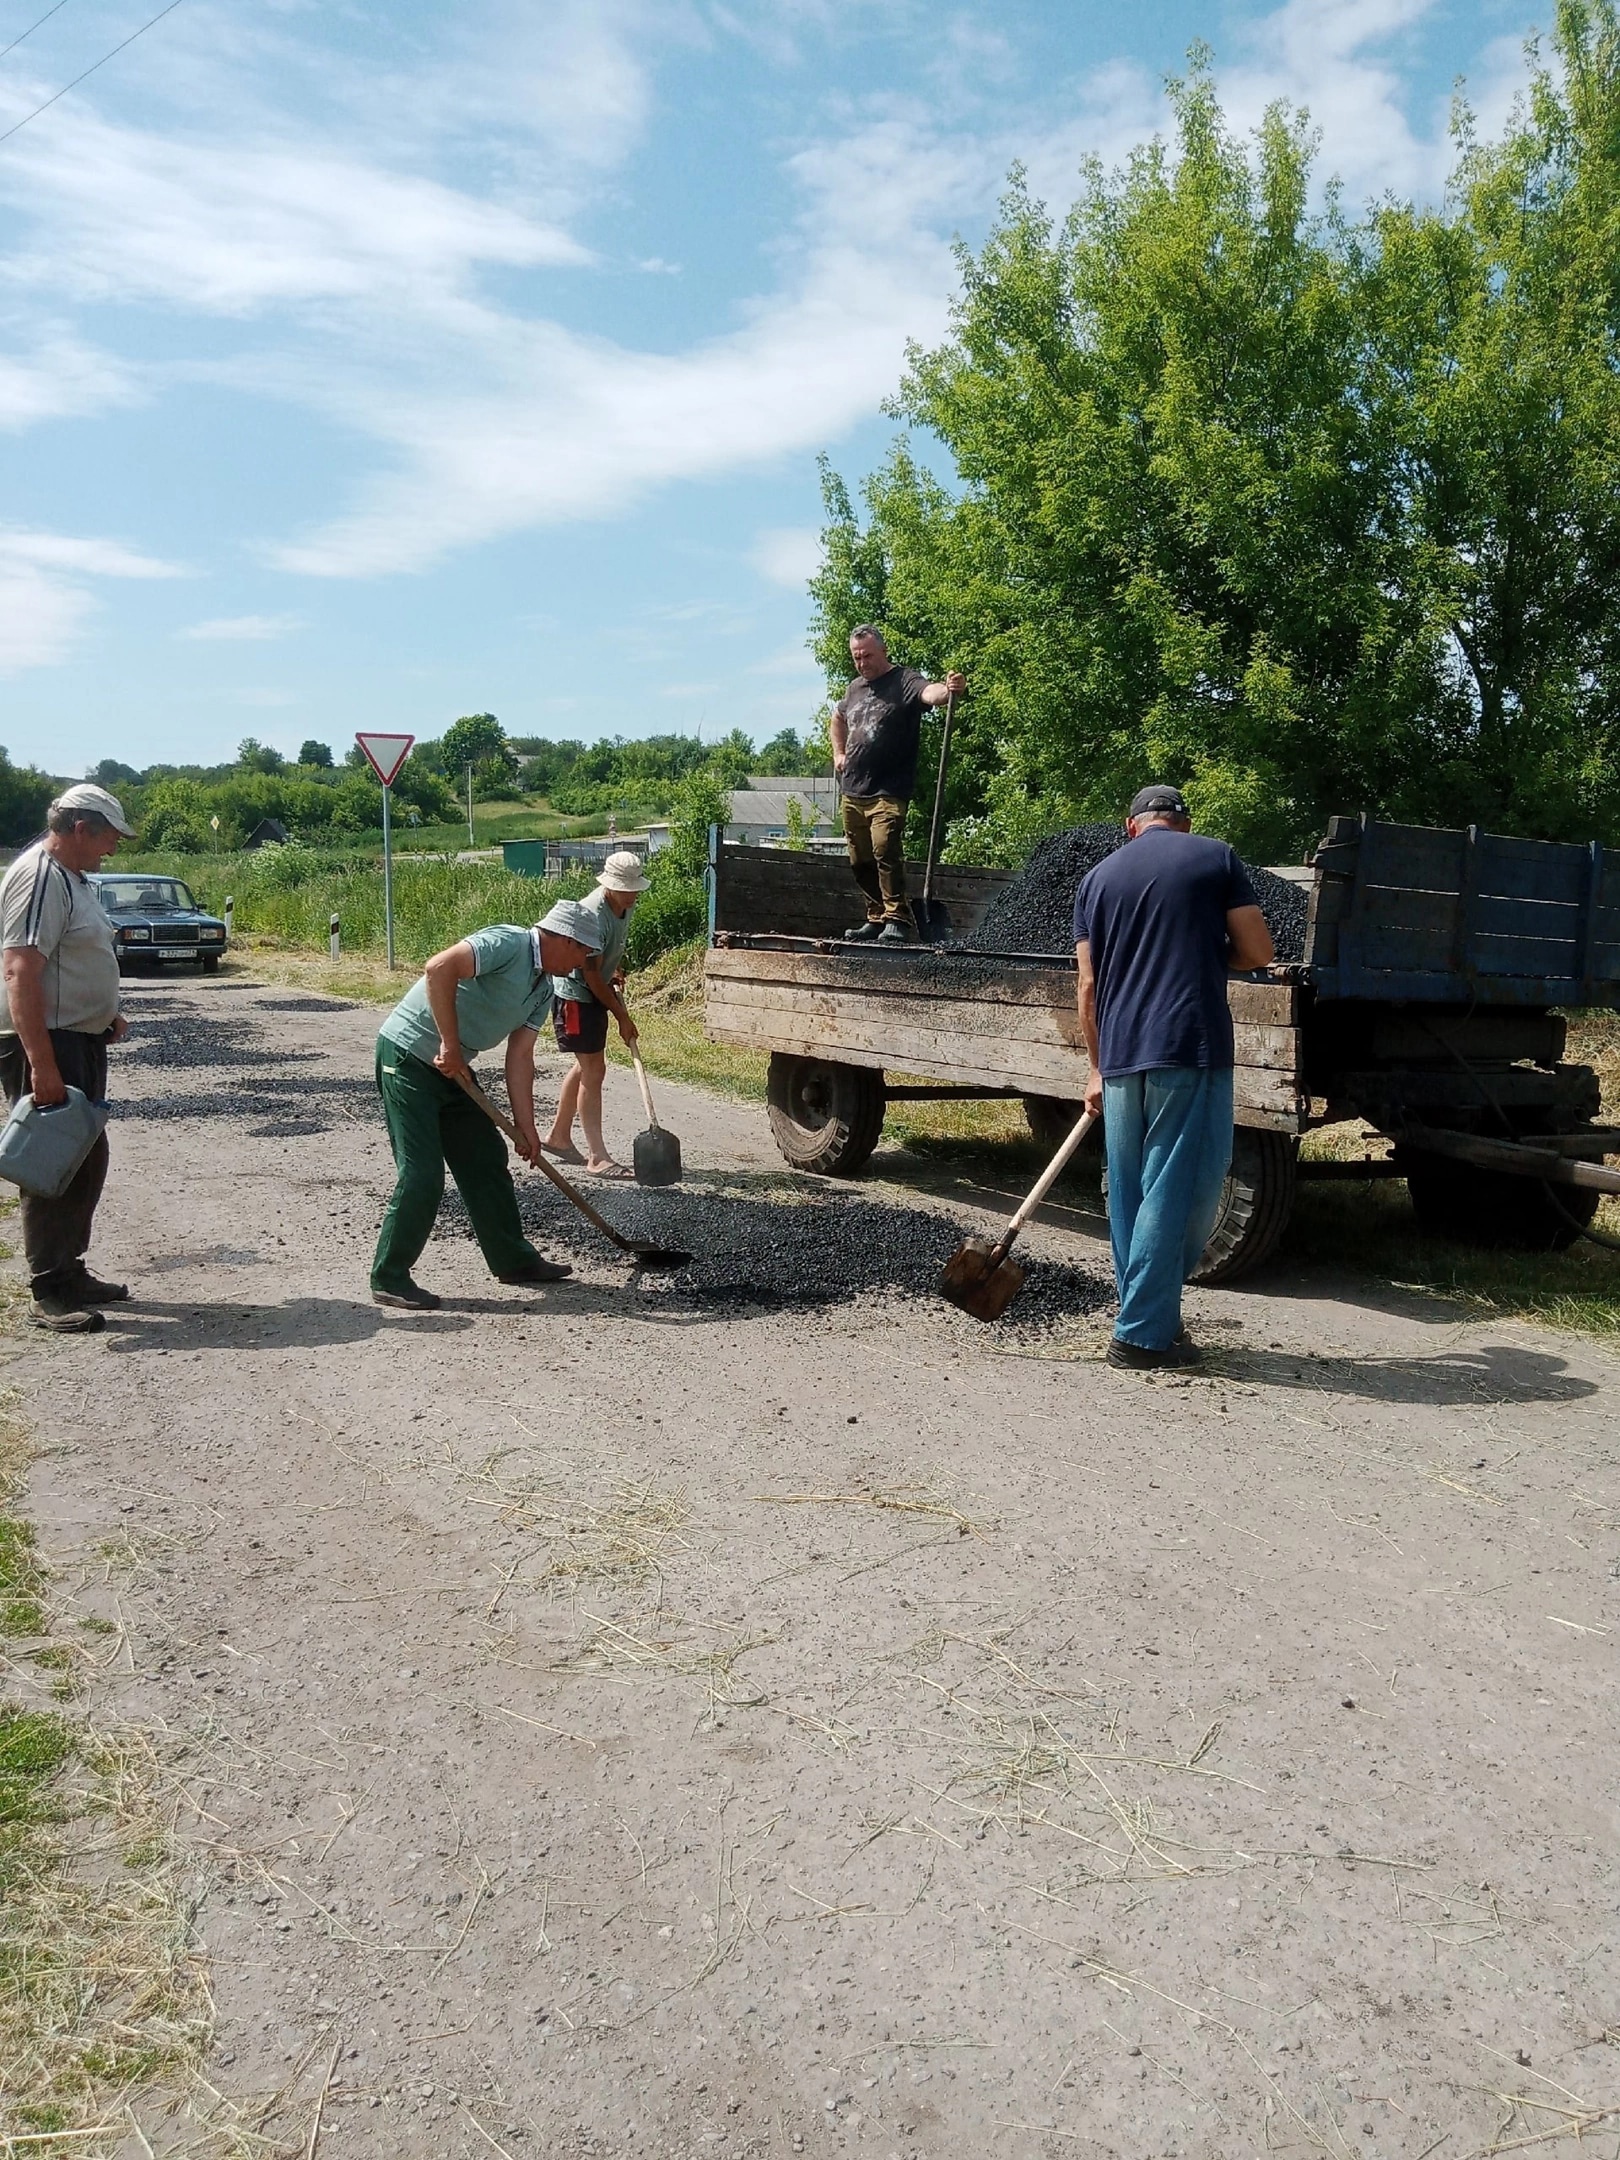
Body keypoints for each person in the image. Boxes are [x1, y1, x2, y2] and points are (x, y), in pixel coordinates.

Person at [1074, 785, 1274, 1371]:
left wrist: (1094, 1064)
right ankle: (1139, 1334)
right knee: (1183, 1189)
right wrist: (1214, 951)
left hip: (1118, 1056)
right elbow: (1258, 950)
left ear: (1130, 825)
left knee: (1132, 1194)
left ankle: (1152, 1316)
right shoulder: (1216, 857)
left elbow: (1087, 988)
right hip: (1188, 1044)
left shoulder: (1096, 880)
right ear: (1183, 824)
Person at [370, 899, 603, 1311]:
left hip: (454, 1069)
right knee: (422, 1173)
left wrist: (526, 1127)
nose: (584, 960)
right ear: (565, 940)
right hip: (408, 1056)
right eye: (583, 951)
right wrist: (450, 1044)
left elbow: (521, 1057)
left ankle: (513, 1260)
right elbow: (438, 968)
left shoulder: (543, 987)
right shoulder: (507, 943)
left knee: (485, 1157)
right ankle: (389, 1276)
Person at [0, 785, 137, 1333]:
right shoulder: (39, 877)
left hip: (76, 1037)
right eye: (109, 836)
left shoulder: (67, 877)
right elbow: (20, 972)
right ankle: (50, 1288)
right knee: (52, 1159)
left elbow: (70, 961)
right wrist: (42, 1064)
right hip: (48, 1042)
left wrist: (105, 1012)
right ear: (81, 827)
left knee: (84, 1158)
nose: (113, 849)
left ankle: (68, 1269)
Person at [831, 626, 966, 943]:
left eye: (867, 655)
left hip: (889, 789)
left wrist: (948, 691)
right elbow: (837, 717)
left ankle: (898, 918)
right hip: (853, 789)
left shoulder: (903, 680)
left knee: (885, 847)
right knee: (859, 858)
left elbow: (929, 693)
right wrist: (839, 753)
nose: (862, 662)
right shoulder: (854, 689)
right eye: (857, 657)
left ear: (883, 651)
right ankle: (875, 917)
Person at [542, 849, 648, 1178]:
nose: (632, 894)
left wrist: (612, 970)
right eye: (625, 888)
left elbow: (600, 963)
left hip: (593, 991)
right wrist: (622, 1016)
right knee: (594, 1070)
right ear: (610, 884)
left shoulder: (624, 905)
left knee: (585, 1066)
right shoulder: (593, 913)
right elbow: (588, 974)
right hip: (576, 997)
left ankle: (559, 1137)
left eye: (635, 888)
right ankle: (597, 1156)